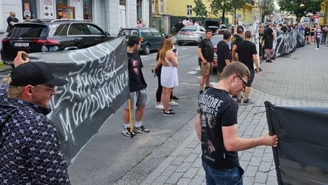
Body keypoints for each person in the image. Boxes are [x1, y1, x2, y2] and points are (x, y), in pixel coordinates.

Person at [195, 61, 278, 185]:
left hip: (207, 161)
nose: (243, 88)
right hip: (225, 170)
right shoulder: (229, 104)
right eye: (243, 83)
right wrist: (263, 140)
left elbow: (198, 124)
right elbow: (231, 144)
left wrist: (209, 146)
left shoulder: (205, 94)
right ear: (234, 77)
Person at [0, 51, 70, 184]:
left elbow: (8, 87)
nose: (54, 92)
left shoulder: (5, 104)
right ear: (29, 90)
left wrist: (20, 69)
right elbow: (54, 179)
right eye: (50, 88)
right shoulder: (37, 126)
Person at [122, 36, 150, 137]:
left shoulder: (136, 54)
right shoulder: (122, 55)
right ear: (135, 45)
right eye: (139, 44)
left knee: (142, 105)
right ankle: (127, 127)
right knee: (128, 108)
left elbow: (140, 68)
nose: (140, 46)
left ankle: (138, 125)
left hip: (140, 84)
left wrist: (143, 81)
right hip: (129, 86)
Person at [152, 37, 179, 110]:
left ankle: (165, 107)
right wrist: (175, 57)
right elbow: (176, 64)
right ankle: (166, 110)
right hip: (170, 71)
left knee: (164, 91)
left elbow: (159, 61)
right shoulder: (170, 52)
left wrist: (154, 68)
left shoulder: (161, 52)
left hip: (164, 70)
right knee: (168, 91)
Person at [235, 30, 260, 104]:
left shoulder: (240, 44)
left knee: (239, 81)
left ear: (244, 36)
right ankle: (245, 99)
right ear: (251, 36)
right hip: (249, 67)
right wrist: (257, 67)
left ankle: (238, 98)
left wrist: (238, 61)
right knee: (248, 83)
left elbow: (236, 55)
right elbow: (254, 57)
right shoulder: (252, 45)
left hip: (240, 66)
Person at [198, 29, 214, 95]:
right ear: (206, 34)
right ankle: (201, 89)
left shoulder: (210, 41)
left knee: (208, 75)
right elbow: (199, 50)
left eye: (211, 34)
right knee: (204, 75)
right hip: (205, 61)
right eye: (208, 34)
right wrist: (203, 59)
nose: (210, 35)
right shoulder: (203, 42)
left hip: (210, 61)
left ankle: (207, 86)